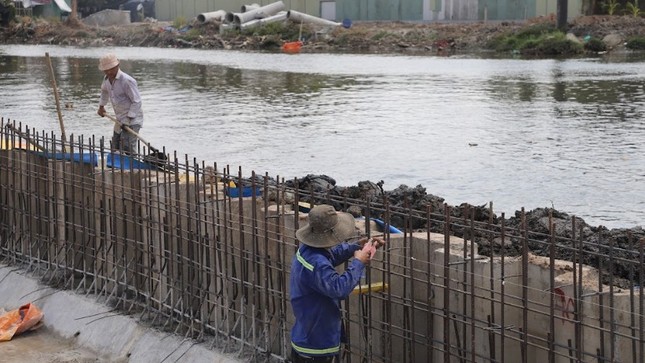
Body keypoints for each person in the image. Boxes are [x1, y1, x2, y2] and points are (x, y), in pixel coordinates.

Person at [290, 204, 385, 363]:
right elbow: (339, 288)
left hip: (307, 336)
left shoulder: (307, 251)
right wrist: (358, 262)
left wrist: (355, 247)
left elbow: (329, 256)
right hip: (316, 347)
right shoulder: (316, 263)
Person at [97, 53, 144, 155]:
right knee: (115, 144)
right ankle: (117, 166)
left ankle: (133, 167)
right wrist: (101, 107)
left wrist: (128, 119)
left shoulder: (127, 81)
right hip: (119, 119)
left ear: (117, 66)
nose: (109, 72)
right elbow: (104, 92)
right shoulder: (106, 80)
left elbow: (137, 101)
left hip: (132, 119)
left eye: (111, 69)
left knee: (127, 146)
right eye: (106, 70)